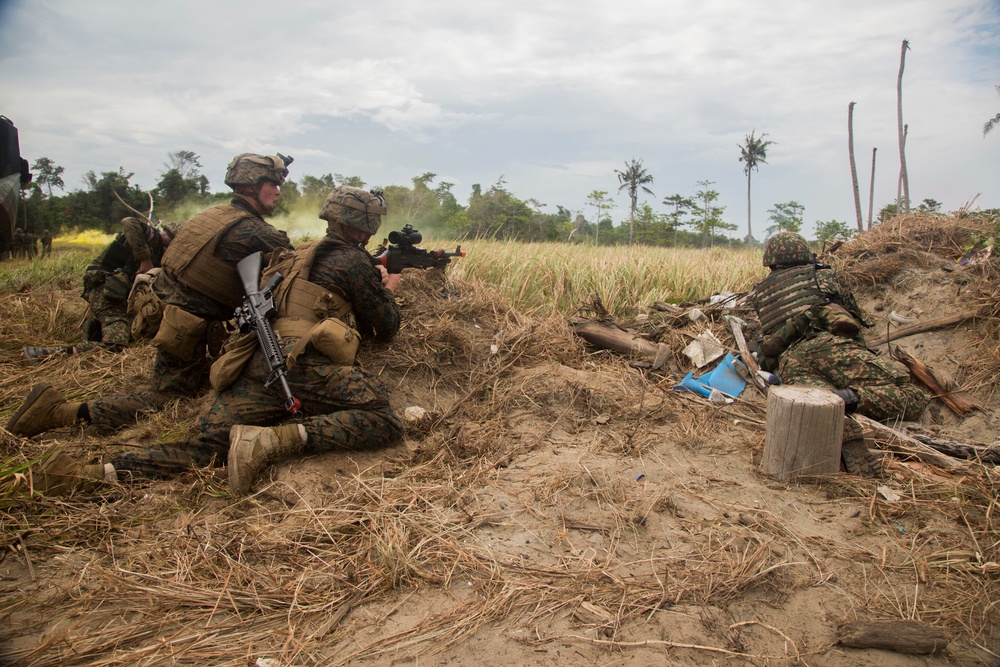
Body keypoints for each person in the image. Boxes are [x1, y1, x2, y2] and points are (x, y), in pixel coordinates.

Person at [28, 185, 404, 497]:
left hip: (252, 364)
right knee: (382, 417)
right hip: (300, 364)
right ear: (366, 225)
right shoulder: (353, 262)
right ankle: (273, 441)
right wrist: (388, 286)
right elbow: (385, 326)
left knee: (211, 447)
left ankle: (88, 471)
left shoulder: (294, 255)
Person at [6, 153, 295, 438]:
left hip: (163, 315)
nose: (278, 191)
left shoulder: (213, 215)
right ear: (251, 185)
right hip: (183, 331)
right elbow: (296, 263)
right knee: (166, 400)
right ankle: (61, 411)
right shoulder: (254, 230)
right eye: (272, 184)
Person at [752, 232, 929, 475]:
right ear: (804, 253)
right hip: (831, 348)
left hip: (790, 362)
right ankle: (849, 399)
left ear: (770, 261)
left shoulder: (760, 293)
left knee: (816, 405)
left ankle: (839, 417)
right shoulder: (823, 275)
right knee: (912, 396)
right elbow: (849, 319)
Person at [21, 217, 178, 364]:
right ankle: (46, 354)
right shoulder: (150, 236)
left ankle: (95, 329)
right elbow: (129, 222)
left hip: (113, 289)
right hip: (103, 283)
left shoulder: (161, 252)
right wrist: (145, 258)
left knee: (129, 328)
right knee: (116, 344)